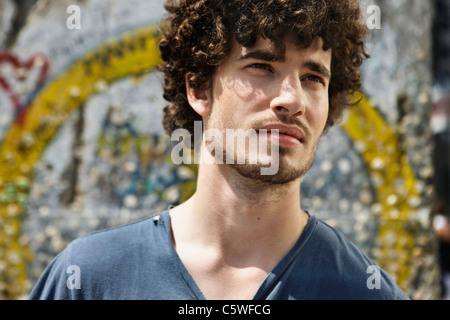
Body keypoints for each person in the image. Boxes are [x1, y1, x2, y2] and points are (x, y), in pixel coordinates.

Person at [29, 0, 409, 300]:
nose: (292, 99)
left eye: (313, 77)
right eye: (262, 66)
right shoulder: (88, 280)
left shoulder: (365, 291)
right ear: (198, 88)